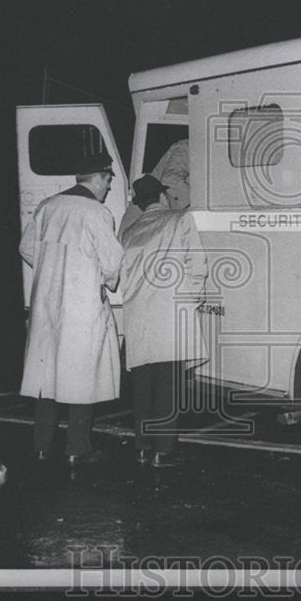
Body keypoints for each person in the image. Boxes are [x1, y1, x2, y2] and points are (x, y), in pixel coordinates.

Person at [19, 151, 123, 466]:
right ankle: (77, 449)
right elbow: (112, 261)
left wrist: (53, 271)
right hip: (82, 306)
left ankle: (40, 446)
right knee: (82, 376)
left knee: (46, 377)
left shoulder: (47, 207)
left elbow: (25, 247)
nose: (108, 190)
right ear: (100, 178)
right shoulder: (96, 212)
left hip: (46, 306)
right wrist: (98, 279)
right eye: (108, 182)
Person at [121, 174, 207, 468]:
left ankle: (143, 448)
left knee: (143, 387)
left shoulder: (130, 232)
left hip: (137, 318)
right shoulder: (179, 219)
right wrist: (190, 303)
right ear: (161, 197)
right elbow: (198, 266)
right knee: (169, 386)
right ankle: (163, 452)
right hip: (169, 315)